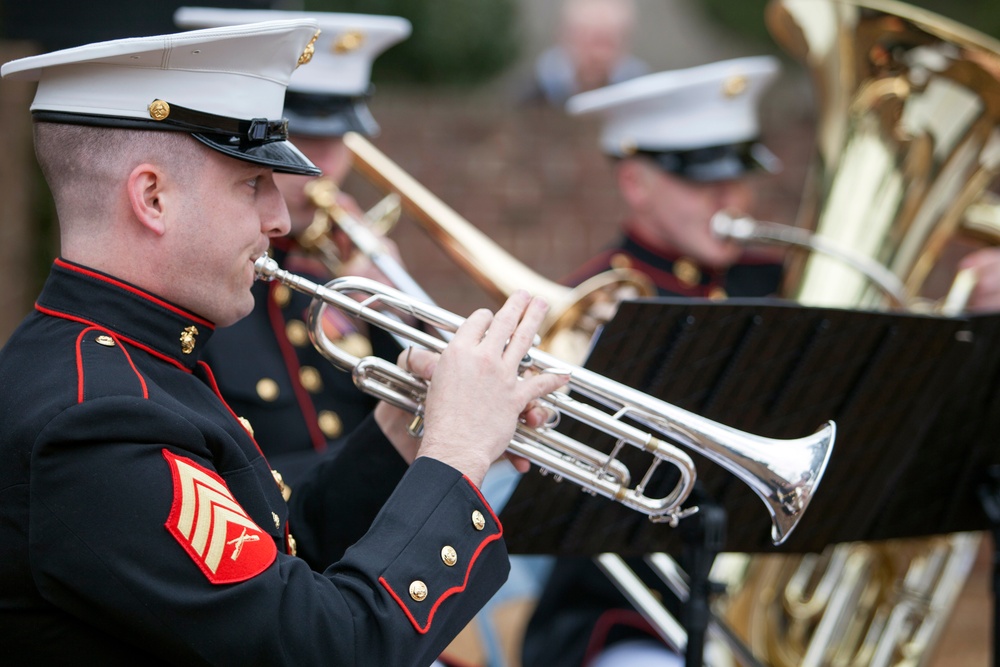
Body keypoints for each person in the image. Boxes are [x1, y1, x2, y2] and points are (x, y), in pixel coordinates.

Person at [0, 20, 569, 665]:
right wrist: (458, 454)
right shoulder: (97, 422)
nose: (282, 218)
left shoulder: (137, 364)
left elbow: (279, 563)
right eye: (252, 184)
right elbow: (326, 650)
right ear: (152, 197)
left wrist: (405, 430)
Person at [173, 8, 413, 486]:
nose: (320, 164)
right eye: (298, 138)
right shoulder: (195, 283)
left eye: (337, 137)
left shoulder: (341, 269)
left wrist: (395, 321)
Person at [519, 0, 649, 108]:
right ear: (565, 39)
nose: (599, 55)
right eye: (590, 42)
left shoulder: (643, 93)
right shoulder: (531, 95)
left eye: (609, 44)